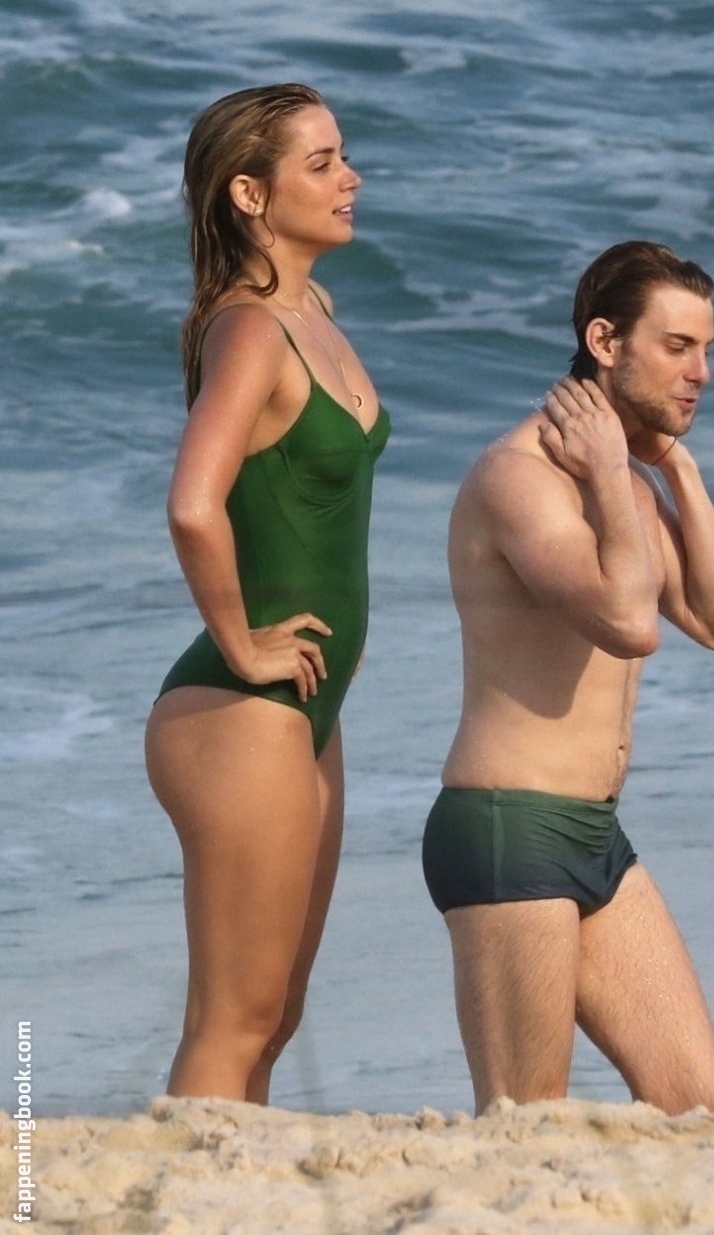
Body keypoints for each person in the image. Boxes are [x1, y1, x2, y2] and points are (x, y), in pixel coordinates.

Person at [422, 240, 714, 1116]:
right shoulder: (520, 478)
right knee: (527, 1120)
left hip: (596, 835)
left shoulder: (632, 487)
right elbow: (629, 622)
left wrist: (676, 468)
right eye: (676, 347)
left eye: (706, 350)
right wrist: (611, 471)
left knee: (701, 1109)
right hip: (511, 827)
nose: (701, 373)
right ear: (604, 341)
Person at [145, 83, 389, 1103]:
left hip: (303, 710)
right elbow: (192, 503)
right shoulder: (249, 331)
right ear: (249, 193)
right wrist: (243, 641)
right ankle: (176, 1182)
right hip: (238, 706)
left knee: (273, 1013)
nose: (350, 178)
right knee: (233, 1018)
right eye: (321, 163)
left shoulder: (311, 311)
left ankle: (230, 1183)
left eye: (344, 156)